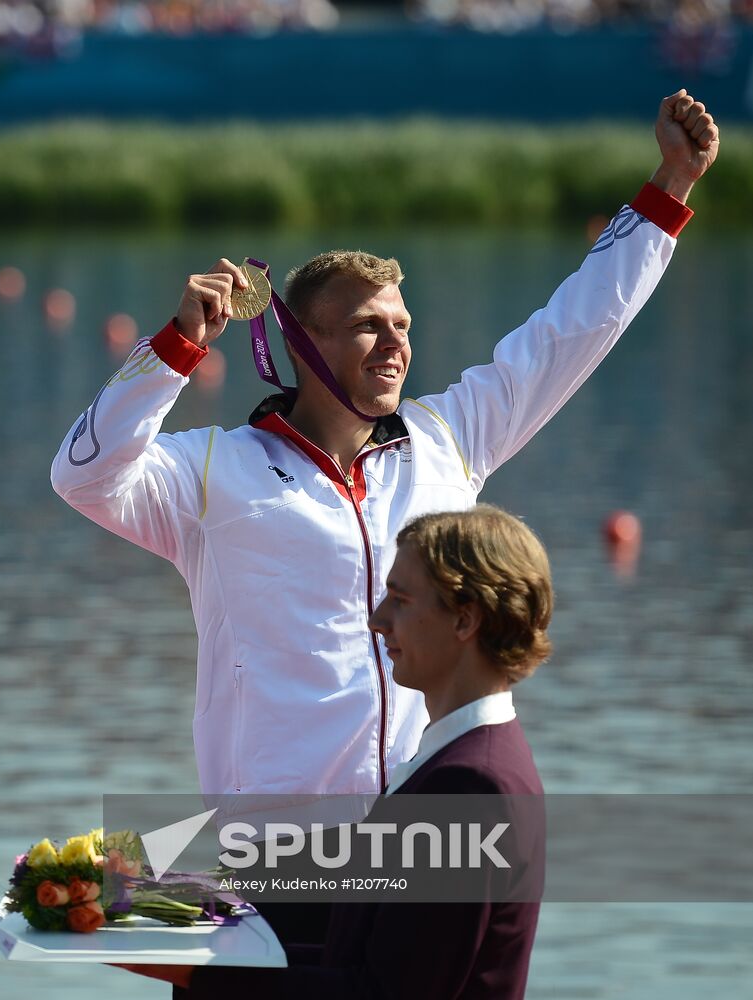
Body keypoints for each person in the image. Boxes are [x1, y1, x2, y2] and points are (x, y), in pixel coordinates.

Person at [52, 88, 715, 948]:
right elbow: (83, 475)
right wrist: (175, 349)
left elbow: (571, 331)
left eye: (401, 325)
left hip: (418, 847)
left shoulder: (448, 439)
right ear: (301, 344)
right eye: (366, 327)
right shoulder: (208, 471)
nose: (394, 344)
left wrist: (668, 187)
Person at [126, 504, 553, 997]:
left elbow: (384, 992)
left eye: (399, 599)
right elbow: (360, 955)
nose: (377, 620)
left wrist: (193, 969)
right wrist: (160, 907)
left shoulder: (468, 785)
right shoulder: (458, 761)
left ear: (464, 619)